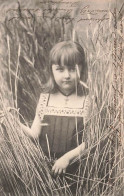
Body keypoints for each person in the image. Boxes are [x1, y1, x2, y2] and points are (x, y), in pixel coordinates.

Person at [21, 40, 91, 194]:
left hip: (76, 173)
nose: (66, 75)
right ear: (51, 71)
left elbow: (91, 141)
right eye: (60, 69)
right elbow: (34, 135)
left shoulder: (88, 100)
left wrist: (67, 158)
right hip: (46, 172)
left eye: (72, 69)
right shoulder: (45, 98)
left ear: (82, 69)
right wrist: (12, 121)